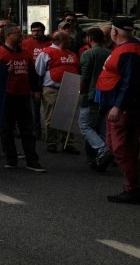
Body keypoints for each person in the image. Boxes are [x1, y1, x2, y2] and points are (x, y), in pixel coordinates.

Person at [0, 24, 45, 172]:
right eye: (17, 33)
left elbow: (32, 73)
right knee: (7, 130)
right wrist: (3, 71)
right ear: (8, 35)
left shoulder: (26, 53)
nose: (21, 35)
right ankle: (11, 159)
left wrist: (36, 90)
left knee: (28, 130)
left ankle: (32, 160)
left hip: (24, 96)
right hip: (6, 96)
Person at [97, 16, 140, 203]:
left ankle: (133, 188)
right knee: (117, 146)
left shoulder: (129, 51)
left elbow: (130, 82)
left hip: (122, 108)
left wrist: (118, 106)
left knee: (122, 148)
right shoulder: (126, 48)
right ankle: (133, 186)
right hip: (115, 106)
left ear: (114, 32)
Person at [35, 29, 80, 154]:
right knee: (51, 117)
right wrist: (38, 89)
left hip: (69, 88)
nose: (71, 41)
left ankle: (68, 143)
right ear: (61, 40)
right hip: (52, 89)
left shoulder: (71, 53)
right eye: (68, 38)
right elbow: (39, 72)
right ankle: (52, 142)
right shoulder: (46, 53)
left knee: (68, 117)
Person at [78, 27, 112, 170]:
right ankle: (106, 150)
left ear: (89, 38)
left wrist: (80, 90)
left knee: (85, 125)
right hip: (107, 95)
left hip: (91, 95)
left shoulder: (88, 54)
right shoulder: (110, 53)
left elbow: (85, 76)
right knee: (103, 126)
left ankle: (103, 149)